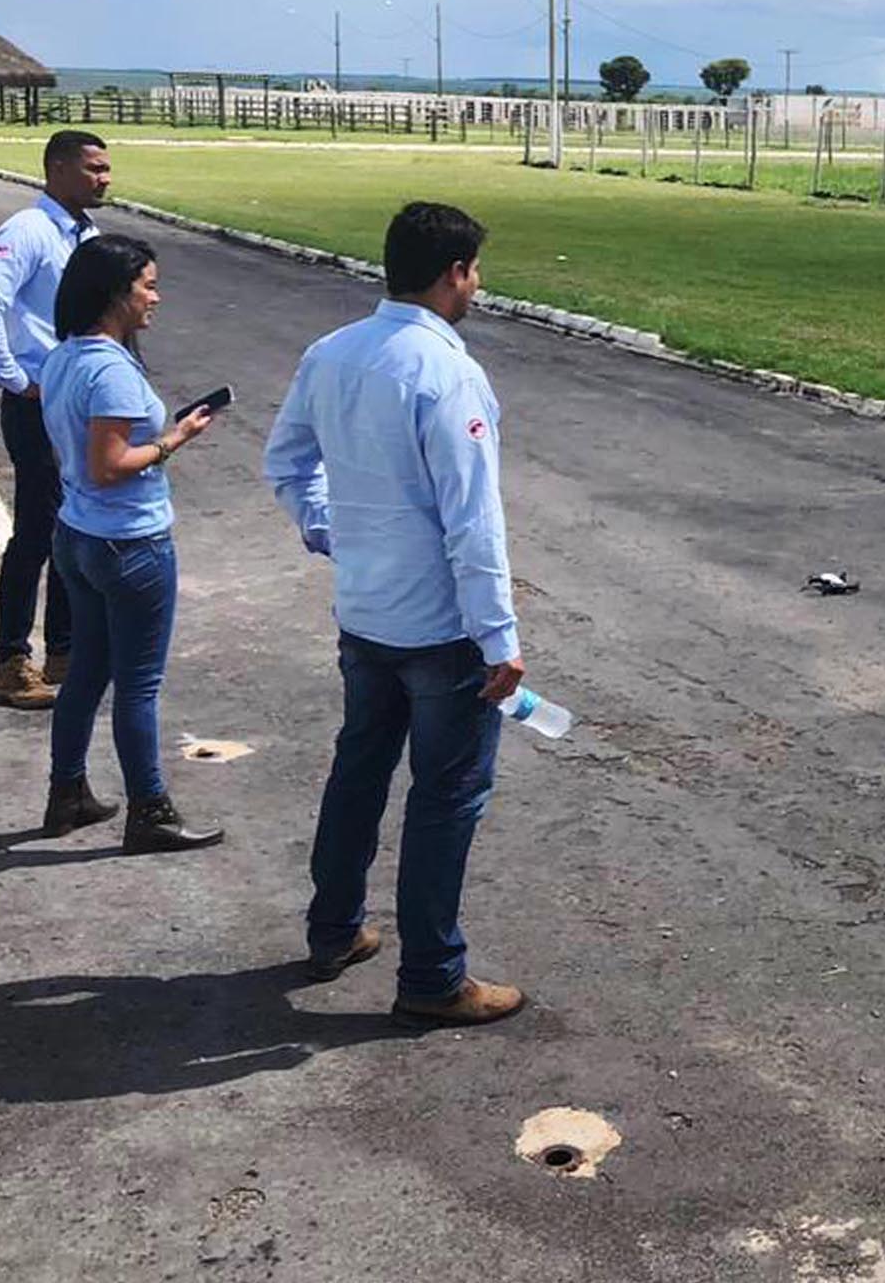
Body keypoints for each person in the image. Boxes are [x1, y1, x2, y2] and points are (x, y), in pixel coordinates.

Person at [264, 201, 528, 1026]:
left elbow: (286, 459)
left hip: (366, 610)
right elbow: (473, 520)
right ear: (453, 272)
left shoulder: (333, 352)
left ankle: (334, 929)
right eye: (474, 271)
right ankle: (432, 977)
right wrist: (500, 637)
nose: (478, 286)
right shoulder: (446, 372)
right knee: (446, 796)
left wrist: (329, 531)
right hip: (442, 629)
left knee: (359, 770)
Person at [37, 235, 225, 851]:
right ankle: (150, 809)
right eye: (147, 284)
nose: (155, 297)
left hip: (79, 534)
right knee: (138, 685)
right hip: (128, 542)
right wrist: (177, 438)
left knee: (87, 672)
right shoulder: (110, 370)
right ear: (116, 293)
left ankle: (67, 792)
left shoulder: (65, 356)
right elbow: (110, 465)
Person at [0, 130, 111, 710]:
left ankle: (64, 651)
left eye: (107, 167)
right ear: (58, 169)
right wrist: (18, 380)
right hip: (38, 403)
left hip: (76, 403)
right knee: (37, 533)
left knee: (74, 527)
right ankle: (11, 659)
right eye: (94, 168)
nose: (105, 178)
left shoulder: (84, 235)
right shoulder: (27, 232)